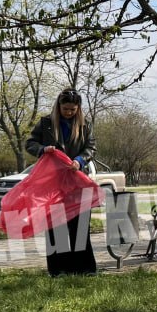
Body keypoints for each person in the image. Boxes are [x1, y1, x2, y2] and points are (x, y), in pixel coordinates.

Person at [26, 88, 98, 277]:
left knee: (80, 225)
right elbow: (30, 143)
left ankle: (85, 269)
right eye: (65, 109)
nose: (69, 112)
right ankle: (58, 270)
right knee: (55, 224)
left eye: (73, 109)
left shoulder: (85, 125)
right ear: (58, 106)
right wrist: (43, 149)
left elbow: (91, 147)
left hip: (77, 180)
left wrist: (80, 160)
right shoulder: (46, 123)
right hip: (53, 182)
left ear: (78, 108)